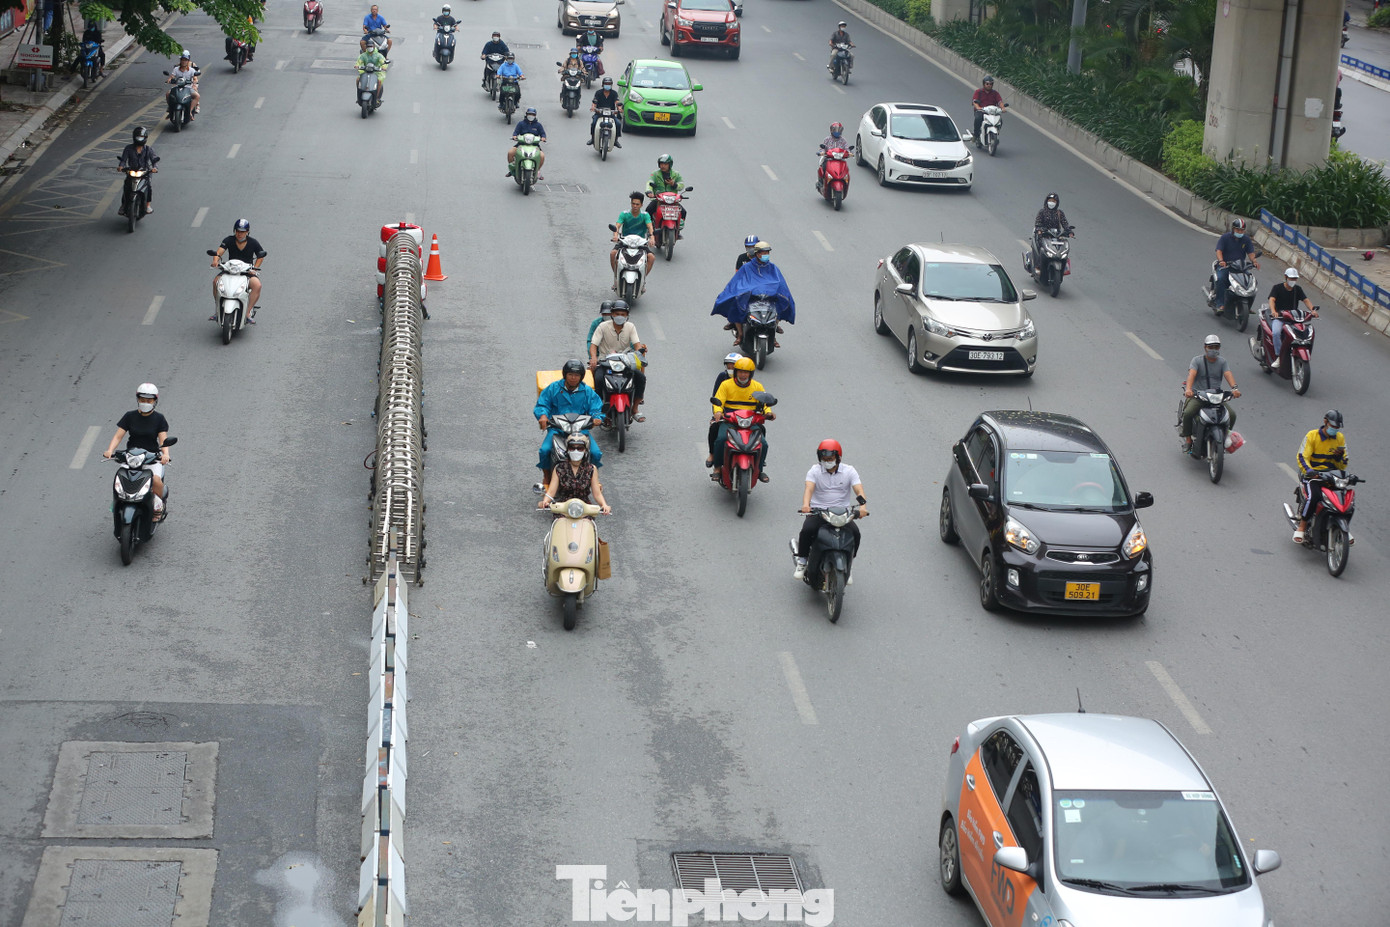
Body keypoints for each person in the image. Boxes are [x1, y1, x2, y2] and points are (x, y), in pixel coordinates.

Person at [794, 440, 868, 582]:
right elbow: (809, 488)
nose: (827, 462)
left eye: (830, 459)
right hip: (819, 511)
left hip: (842, 513)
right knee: (807, 530)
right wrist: (806, 505)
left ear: (838, 457)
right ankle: (802, 561)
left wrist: (863, 507)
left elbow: (858, 490)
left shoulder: (849, 471)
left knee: (855, 534)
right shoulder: (814, 471)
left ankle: (849, 564)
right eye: (824, 459)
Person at [102, 383, 171, 520]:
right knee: (119, 479)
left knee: (155, 480)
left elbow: (163, 440)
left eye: (149, 400)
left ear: (155, 401)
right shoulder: (129, 416)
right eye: (142, 399)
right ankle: (117, 502)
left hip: (152, 457)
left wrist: (166, 455)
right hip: (131, 457)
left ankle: (158, 505)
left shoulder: (159, 419)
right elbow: (118, 436)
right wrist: (110, 450)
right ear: (138, 399)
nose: (145, 402)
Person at [534, 358, 604, 492]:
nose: (573, 378)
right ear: (565, 375)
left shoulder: (588, 392)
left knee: (595, 453)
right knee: (545, 451)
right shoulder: (554, 388)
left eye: (576, 375)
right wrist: (543, 416)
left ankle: (594, 479)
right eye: (570, 375)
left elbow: (596, 409)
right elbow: (543, 404)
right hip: (557, 429)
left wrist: (597, 418)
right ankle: (547, 477)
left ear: (581, 377)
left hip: (581, 430)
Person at [714, 241, 794, 346]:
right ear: (757, 254)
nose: (765, 255)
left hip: (768, 297)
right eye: (763, 253)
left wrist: (778, 292)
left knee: (783, 302)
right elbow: (738, 282)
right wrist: (744, 291)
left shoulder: (773, 268)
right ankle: (740, 335)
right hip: (750, 296)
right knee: (735, 304)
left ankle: (773, 334)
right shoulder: (747, 267)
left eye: (767, 253)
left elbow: (779, 282)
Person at [707, 356, 773, 479]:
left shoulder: (757, 386)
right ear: (736, 372)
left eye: (746, 372)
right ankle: (717, 467)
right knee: (721, 439)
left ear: (751, 373)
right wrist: (718, 412)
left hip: (750, 421)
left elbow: (764, 404)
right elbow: (718, 402)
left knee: (763, 443)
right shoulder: (726, 385)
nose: (743, 375)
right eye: (741, 372)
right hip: (729, 420)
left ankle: (759, 470)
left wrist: (768, 413)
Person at [1293, 410, 1348, 544]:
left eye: (1337, 427)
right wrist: (1309, 470)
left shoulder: (1340, 438)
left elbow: (1343, 464)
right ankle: (1302, 526)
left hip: (1331, 476)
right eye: (1333, 426)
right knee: (1314, 497)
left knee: (1345, 499)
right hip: (1314, 475)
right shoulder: (1312, 436)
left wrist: (1339, 457)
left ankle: (1345, 527)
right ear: (1325, 422)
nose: (1335, 429)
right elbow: (1302, 456)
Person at [1179, 334, 1240, 453]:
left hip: (1216, 397)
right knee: (1188, 413)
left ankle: (1226, 435)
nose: (1213, 350)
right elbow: (1192, 375)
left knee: (1231, 414)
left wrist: (1235, 388)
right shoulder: (1197, 361)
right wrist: (1189, 389)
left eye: (1216, 347)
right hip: (1199, 395)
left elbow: (1228, 374)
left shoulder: (1222, 362)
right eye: (1211, 347)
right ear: (1205, 347)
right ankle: (1188, 440)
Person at [589, 303, 647, 418]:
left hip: (625, 361)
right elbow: (593, 345)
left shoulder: (630, 327)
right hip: (605, 362)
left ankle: (635, 408)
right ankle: (599, 408)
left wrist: (640, 351)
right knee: (599, 380)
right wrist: (594, 358)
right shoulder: (602, 327)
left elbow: (636, 344)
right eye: (617, 314)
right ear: (612, 314)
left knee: (640, 378)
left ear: (627, 316)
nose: (619, 316)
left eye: (622, 314)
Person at [210, 219, 267, 322]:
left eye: (242, 231)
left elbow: (260, 256)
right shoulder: (228, 240)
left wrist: (254, 268)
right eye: (238, 231)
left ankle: (248, 312)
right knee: (216, 282)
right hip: (230, 270)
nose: (240, 234)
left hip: (246, 272)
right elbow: (219, 253)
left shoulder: (253, 242)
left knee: (257, 285)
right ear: (234, 231)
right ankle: (218, 311)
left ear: (247, 232)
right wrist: (215, 261)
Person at [537, 434, 610, 514]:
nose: (576, 451)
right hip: (563, 509)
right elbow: (551, 492)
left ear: (585, 450)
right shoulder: (559, 468)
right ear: (567, 449)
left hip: (584, 509)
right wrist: (545, 501)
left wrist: (604, 505)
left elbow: (597, 494)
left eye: (580, 448)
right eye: (572, 448)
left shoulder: (592, 469)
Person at [1265, 266, 1317, 369]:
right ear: (1285, 277)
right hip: (1280, 317)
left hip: (1293, 318)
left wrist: (1312, 310)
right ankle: (1279, 356)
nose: (1293, 281)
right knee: (1276, 333)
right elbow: (1271, 300)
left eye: (1295, 279)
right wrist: (1274, 311)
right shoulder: (1277, 288)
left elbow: (1306, 300)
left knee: (1302, 333)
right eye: (1291, 278)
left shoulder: (1298, 289)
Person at [1211, 217, 1259, 312]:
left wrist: (1254, 261)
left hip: (1240, 267)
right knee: (1221, 279)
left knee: (1252, 282)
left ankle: (1247, 305)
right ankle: (1220, 304)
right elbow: (1219, 250)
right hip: (1225, 265)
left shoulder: (1246, 240)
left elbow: (1250, 252)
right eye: (1238, 230)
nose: (1240, 232)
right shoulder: (1225, 238)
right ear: (1233, 229)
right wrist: (1221, 261)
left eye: (1242, 230)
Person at [611, 191, 656, 284]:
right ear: (631, 203)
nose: (635, 206)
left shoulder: (645, 215)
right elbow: (617, 225)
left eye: (637, 204)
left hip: (640, 242)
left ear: (641, 205)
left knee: (651, 257)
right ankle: (616, 277)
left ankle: (642, 280)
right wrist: (615, 235)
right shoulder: (624, 214)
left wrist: (652, 237)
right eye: (633, 203)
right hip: (625, 241)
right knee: (613, 254)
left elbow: (650, 226)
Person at [116, 127, 159, 216]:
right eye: (138, 137)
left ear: (145, 138)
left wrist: (154, 168)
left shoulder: (148, 149)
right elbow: (123, 160)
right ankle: (123, 205)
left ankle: (147, 205)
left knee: (148, 187)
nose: (140, 139)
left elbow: (154, 160)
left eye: (141, 137)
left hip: (145, 173)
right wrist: (121, 166)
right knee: (126, 187)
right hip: (132, 172)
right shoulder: (128, 148)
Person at [645, 154, 686, 235]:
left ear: (670, 164)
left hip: (672, 200)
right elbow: (649, 183)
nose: (663, 166)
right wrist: (649, 192)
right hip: (659, 199)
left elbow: (681, 185)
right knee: (649, 210)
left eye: (665, 164)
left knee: (683, 212)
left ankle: (678, 230)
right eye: (661, 164)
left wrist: (673, 184)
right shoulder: (655, 174)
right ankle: (648, 228)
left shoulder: (676, 174)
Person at [1031, 192, 1073, 267]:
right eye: (1050, 200)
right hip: (1044, 235)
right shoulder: (1042, 212)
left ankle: (1064, 266)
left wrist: (1069, 231)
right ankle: (1038, 266)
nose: (1051, 203)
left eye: (1053, 201)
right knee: (1041, 250)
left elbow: (1065, 224)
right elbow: (1037, 224)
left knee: (1062, 250)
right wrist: (1041, 230)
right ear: (1046, 201)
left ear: (1057, 203)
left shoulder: (1060, 213)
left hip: (1056, 236)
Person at [508, 108, 546, 177]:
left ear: (535, 116)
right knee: (510, 153)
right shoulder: (521, 124)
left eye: (532, 114)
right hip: (521, 144)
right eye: (529, 114)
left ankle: (537, 170)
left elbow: (543, 134)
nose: (531, 116)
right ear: (526, 115)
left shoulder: (538, 125)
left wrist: (543, 138)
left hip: (534, 145)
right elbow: (516, 132)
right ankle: (513, 169)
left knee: (542, 156)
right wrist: (514, 136)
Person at [971, 75, 1005, 147]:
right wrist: (978, 107)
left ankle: (995, 134)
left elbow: (1000, 102)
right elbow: (974, 102)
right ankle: (976, 135)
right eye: (987, 84)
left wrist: (1003, 108)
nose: (989, 85)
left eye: (991, 84)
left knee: (1000, 121)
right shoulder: (978, 92)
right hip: (981, 111)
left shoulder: (995, 93)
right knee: (978, 119)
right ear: (984, 84)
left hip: (992, 112)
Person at [588, 76, 622, 147]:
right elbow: (595, 102)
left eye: (609, 84)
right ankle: (592, 138)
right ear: (603, 84)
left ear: (611, 85)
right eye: (606, 83)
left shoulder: (614, 93)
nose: (607, 85)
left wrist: (619, 108)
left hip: (611, 114)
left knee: (618, 124)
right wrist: (593, 107)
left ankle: (616, 140)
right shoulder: (598, 93)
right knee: (593, 123)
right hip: (599, 113)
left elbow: (617, 102)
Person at [167, 51, 201, 120]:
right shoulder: (176, 69)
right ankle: (170, 108)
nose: (183, 61)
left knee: (197, 96)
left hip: (188, 88)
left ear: (188, 61)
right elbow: (172, 76)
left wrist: (194, 84)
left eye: (185, 60)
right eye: (182, 60)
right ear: (180, 60)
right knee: (168, 94)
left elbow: (195, 78)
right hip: (177, 87)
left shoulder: (191, 70)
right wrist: (170, 79)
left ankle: (189, 111)